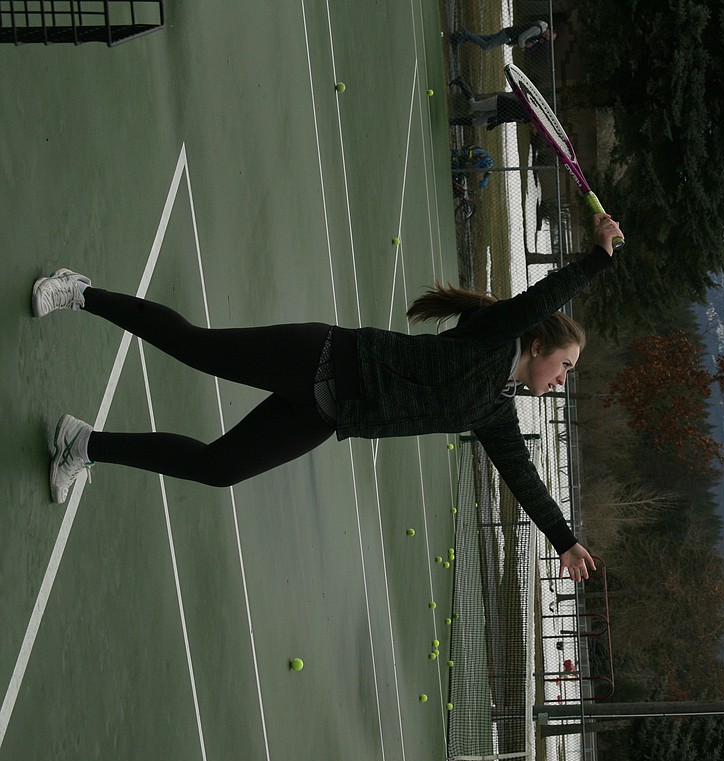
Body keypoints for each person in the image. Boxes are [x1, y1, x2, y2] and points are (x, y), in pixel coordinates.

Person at [31, 213, 623, 581]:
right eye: (565, 366)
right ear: (540, 343)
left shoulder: (493, 408)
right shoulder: (497, 336)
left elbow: (523, 477)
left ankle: (83, 444)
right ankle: (81, 293)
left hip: (329, 412)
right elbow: (545, 294)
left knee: (220, 468)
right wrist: (597, 259)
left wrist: (565, 540)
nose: (563, 379)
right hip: (321, 358)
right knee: (193, 347)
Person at [448, 77, 529, 130]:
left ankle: (453, 122)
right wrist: (495, 121)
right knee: (473, 105)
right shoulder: (526, 113)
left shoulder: (525, 119)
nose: (534, 130)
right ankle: (461, 82)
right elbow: (508, 115)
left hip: (498, 112)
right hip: (499, 102)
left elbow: (508, 119)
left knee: (478, 122)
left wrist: (495, 123)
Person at [450, 20, 554, 52]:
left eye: (549, 39)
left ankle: (461, 38)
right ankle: (465, 32)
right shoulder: (538, 30)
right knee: (487, 46)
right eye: (549, 35)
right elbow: (522, 37)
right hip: (509, 35)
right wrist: (523, 46)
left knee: (486, 39)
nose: (547, 38)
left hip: (509, 33)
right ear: (549, 31)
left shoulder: (541, 28)